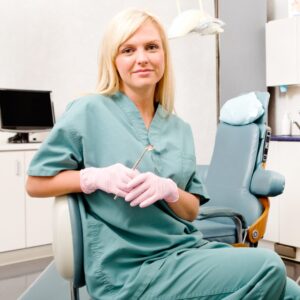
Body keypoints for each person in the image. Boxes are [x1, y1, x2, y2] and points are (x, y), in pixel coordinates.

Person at [26, 8, 300, 300]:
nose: (142, 58)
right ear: (114, 60)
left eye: (152, 47)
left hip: (184, 251)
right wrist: (92, 178)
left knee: (290, 291)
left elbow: (192, 209)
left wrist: (170, 191)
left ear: (164, 57)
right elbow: (36, 182)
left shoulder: (179, 128)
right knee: (269, 265)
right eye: (128, 49)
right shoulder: (88, 111)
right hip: (130, 269)